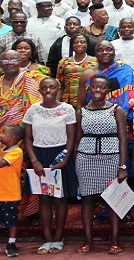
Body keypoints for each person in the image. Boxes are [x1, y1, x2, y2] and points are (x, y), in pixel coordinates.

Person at [74, 75, 128, 255]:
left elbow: (122, 139)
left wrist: (122, 166)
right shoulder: (81, 111)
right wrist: (75, 161)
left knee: (112, 200)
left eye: (102, 87)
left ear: (107, 90)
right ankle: (88, 241)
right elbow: (77, 138)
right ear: (89, 88)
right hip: (86, 158)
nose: (98, 90)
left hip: (111, 158)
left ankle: (115, 241)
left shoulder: (116, 110)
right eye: (94, 87)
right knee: (88, 200)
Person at [23, 78, 77, 255]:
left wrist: (64, 159)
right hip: (39, 156)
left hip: (60, 156)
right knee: (44, 198)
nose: (48, 90)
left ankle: (58, 238)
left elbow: (71, 138)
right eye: (44, 88)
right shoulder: (33, 110)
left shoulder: (67, 109)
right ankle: (46, 238)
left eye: (52, 87)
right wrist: (35, 161)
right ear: (39, 90)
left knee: (60, 198)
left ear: (58, 89)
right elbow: (28, 138)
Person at [0, 124, 24, 258]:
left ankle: (11, 243)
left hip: (9, 193)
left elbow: (1, 163)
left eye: (4, 133)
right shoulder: (3, 149)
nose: (1, 135)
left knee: (11, 221)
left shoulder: (16, 152)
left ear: (12, 138)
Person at [55, 33, 96, 107]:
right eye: (76, 42)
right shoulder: (63, 62)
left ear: (87, 44)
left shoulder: (95, 61)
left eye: (82, 42)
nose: (79, 44)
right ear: (72, 45)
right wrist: (57, 104)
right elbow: (60, 86)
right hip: (68, 103)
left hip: (90, 101)